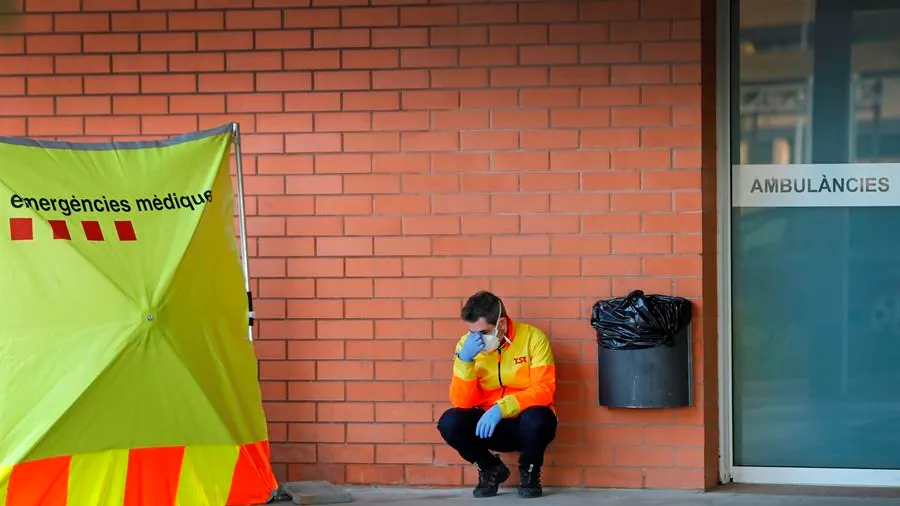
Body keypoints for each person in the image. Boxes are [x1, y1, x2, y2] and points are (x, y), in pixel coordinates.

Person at [437, 290, 558, 499]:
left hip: (525, 425)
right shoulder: (466, 346)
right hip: (488, 425)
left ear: (501, 325)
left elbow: (544, 390)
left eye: (483, 332)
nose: (476, 339)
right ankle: (490, 468)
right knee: (450, 421)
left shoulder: (533, 338)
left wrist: (502, 408)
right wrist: (464, 360)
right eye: (471, 332)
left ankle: (529, 474)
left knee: (540, 417)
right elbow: (462, 402)